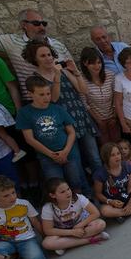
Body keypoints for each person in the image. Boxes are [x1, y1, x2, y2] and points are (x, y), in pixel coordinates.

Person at [23, 40, 102, 175]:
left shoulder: (64, 71)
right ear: (34, 58)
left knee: (94, 155)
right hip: (62, 122)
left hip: (80, 116)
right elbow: (53, 98)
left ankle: (102, 184)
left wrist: (76, 72)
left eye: (49, 54)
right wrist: (57, 77)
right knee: (75, 160)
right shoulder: (37, 79)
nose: (48, 58)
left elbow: (83, 90)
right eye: (42, 56)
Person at [16, 76, 88, 196]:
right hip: (47, 157)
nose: (46, 97)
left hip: (69, 153)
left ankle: (81, 203)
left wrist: (65, 151)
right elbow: (29, 139)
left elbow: (71, 132)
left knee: (76, 182)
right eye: (41, 94)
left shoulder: (57, 109)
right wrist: (52, 155)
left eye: (48, 93)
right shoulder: (24, 113)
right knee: (56, 185)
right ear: (30, 94)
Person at [0, 9, 73, 103]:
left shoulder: (58, 44)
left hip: (68, 98)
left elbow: (73, 70)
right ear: (23, 25)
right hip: (35, 101)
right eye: (36, 23)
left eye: (44, 23)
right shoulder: (12, 41)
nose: (42, 27)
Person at [40, 177, 109, 256]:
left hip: (82, 227)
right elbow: (48, 230)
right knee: (47, 243)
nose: (68, 193)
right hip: (64, 232)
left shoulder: (78, 198)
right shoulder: (48, 208)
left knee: (100, 224)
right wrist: (72, 232)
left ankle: (65, 244)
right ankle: (94, 238)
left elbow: (96, 213)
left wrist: (79, 225)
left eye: (68, 189)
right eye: (62, 192)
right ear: (52, 195)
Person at [93, 142, 131, 222]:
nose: (117, 157)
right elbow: (98, 194)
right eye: (113, 155)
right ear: (106, 158)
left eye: (118, 153)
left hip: (126, 196)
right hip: (111, 202)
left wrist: (129, 203)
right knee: (105, 211)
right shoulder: (100, 173)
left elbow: (130, 187)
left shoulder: (126, 166)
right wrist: (110, 201)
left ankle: (120, 214)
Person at [79, 47, 120, 145]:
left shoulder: (110, 75)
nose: (97, 66)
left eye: (99, 62)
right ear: (85, 63)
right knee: (105, 145)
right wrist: (98, 120)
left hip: (113, 117)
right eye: (92, 63)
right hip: (97, 119)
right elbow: (84, 103)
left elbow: (116, 96)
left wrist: (114, 116)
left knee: (117, 143)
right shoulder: (82, 80)